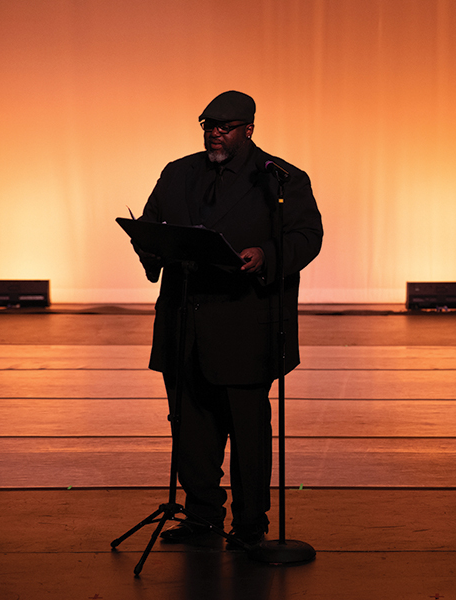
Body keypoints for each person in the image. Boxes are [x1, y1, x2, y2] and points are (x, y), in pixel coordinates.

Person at [132, 90, 323, 547]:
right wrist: (151, 246)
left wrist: (268, 255)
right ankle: (201, 516)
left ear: (248, 130)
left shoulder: (280, 179)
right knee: (190, 427)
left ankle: (251, 525)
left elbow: (307, 236)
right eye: (208, 125)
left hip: (244, 325)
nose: (214, 133)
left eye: (224, 126)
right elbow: (153, 226)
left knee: (249, 432)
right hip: (183, 324)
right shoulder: (178, 172)